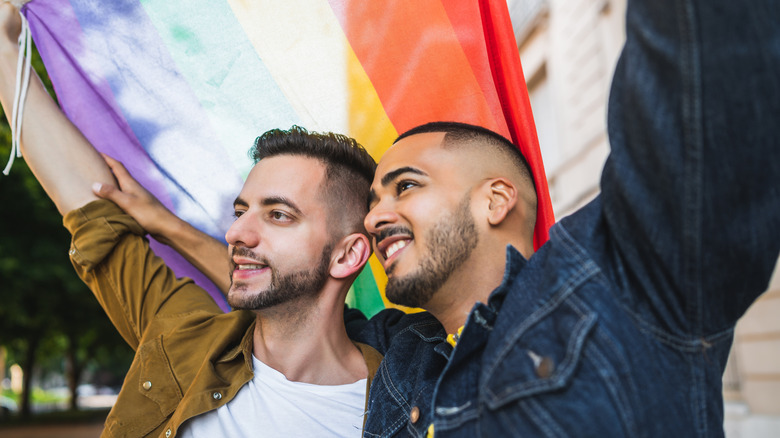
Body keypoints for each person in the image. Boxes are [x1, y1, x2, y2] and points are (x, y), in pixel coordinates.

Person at [95, 0, 779, 436]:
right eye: (372, 203)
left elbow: (703, 89)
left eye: (405, 186)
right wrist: (163, 222)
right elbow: (285, 278)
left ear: (495, 199)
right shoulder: (395, 357)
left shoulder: (620, 285)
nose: (375, 217)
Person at [0, 4, 383, 437]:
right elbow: (91, 211)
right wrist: (4, 50)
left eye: (279, 215)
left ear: (348, 253)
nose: (237, 232)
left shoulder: (413, 400)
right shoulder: (187, 340)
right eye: (241, 212)